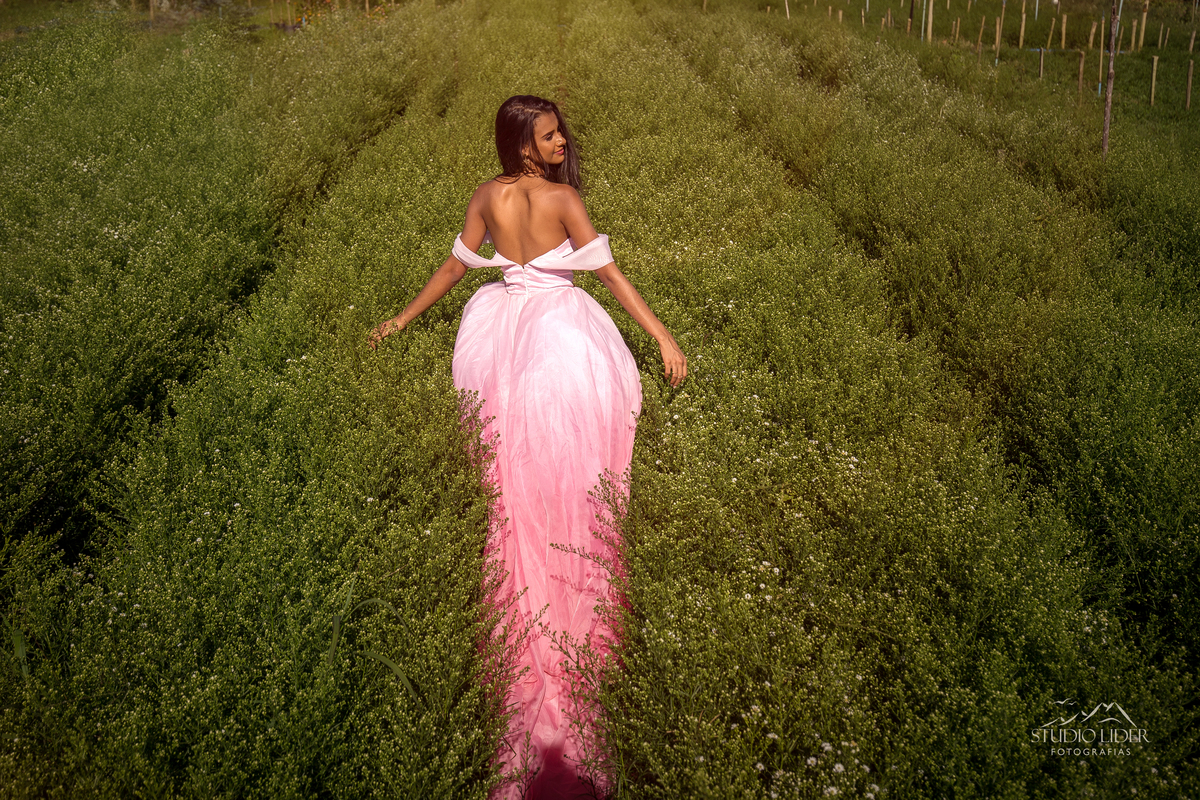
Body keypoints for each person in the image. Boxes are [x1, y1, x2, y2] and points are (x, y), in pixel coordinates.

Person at [370, 95, 686, 798]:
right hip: (555, 333)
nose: (562, 140)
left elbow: (455, 271)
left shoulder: (487, 195)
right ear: (523, 145)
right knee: (574, 451)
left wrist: (399, 319)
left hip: (497, 333)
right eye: (549, 134)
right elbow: (609, 277)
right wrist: (661, 336)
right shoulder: (563, 199)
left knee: (508, 470)